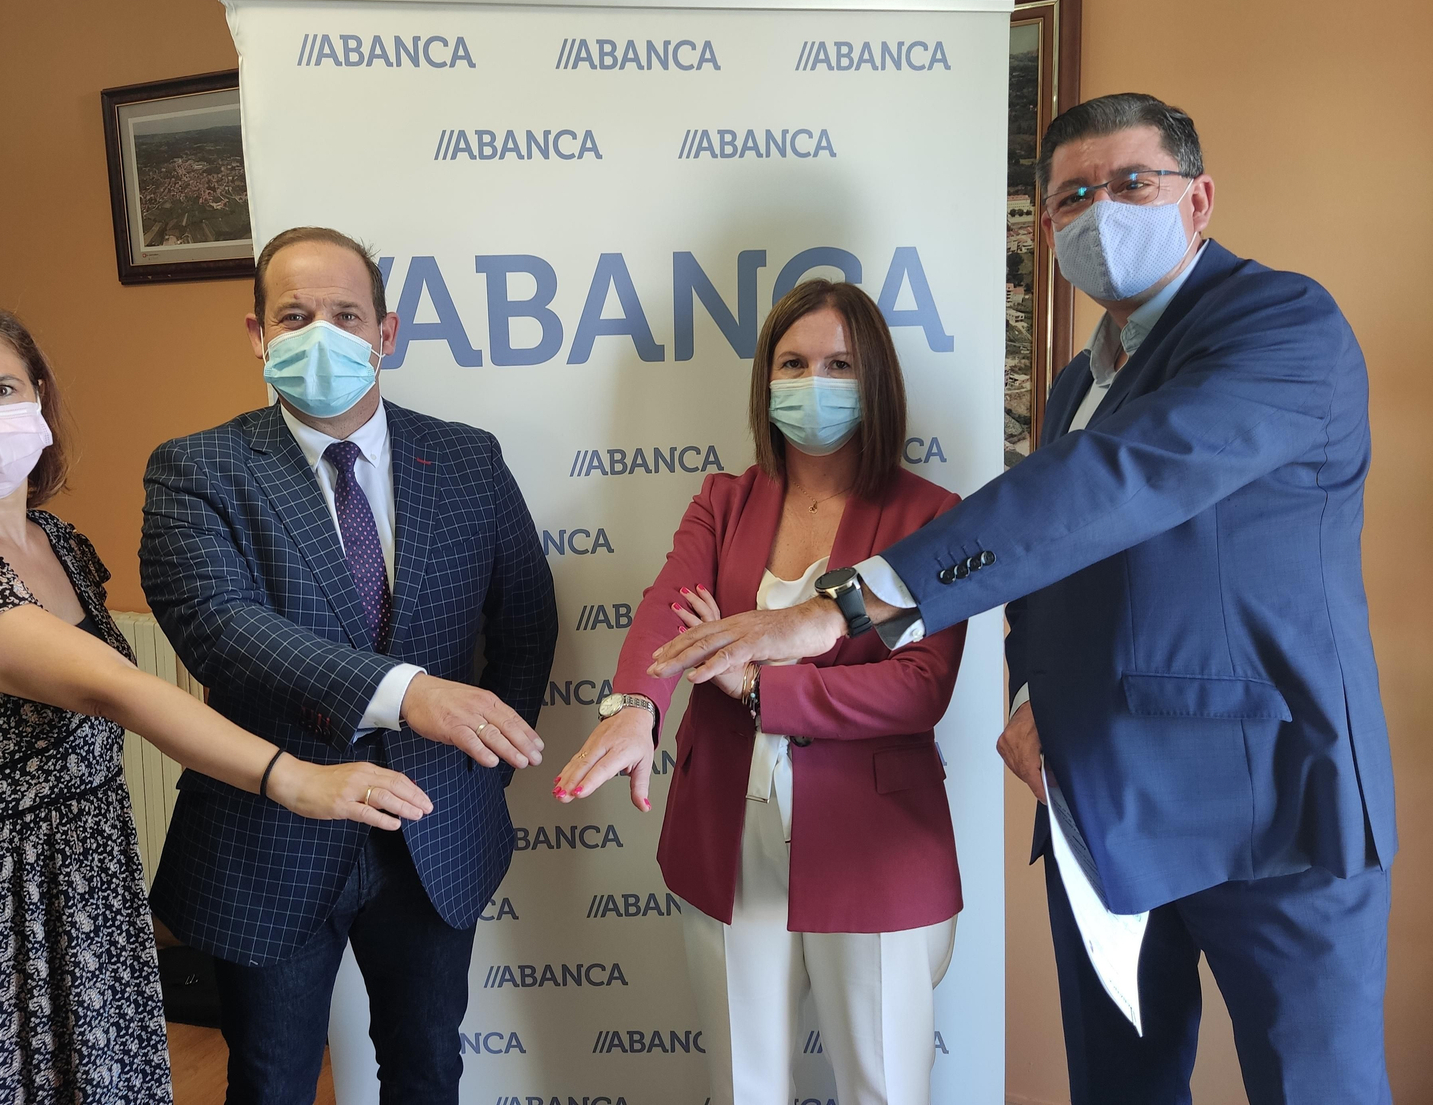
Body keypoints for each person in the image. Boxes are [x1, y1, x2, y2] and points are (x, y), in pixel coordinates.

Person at [649, 94, 1396, 1105]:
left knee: (1313, 1087)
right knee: (1117, 1089)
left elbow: (1115, 485)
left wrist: (845, 606)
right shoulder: (1079, 381)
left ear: (1200, 199)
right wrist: (1021, 699)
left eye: (1130, 184)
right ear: (1045, 232)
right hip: (1103, 803)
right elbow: (1059, 569)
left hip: (1267, 804)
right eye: (1070, 198)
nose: (1099, 214)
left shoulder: (1280, 324)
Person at [0, 291, 429, 1105]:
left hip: (83, 878)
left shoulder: (57, 542)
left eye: (4, 389)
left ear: (39, 397)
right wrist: (296, 778)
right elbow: (115, 688)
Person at [139, 226, 556, 1105]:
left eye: (344, 313)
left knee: (428, 1068)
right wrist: (412, 697)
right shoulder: (196, 468)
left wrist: (482, 759)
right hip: (271, 834)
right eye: (293, 315)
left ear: (386, 333)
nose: (319, 332)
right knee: (270, 1079)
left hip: (435, 829)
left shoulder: (469, 458)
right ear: (256, 335)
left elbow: (523, 621)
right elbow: (219, 628)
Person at [555, 280, 967, 1105]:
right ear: (766, 379)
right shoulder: (726, 501)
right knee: (744, 1088)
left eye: (840, 364)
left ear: (876, 378)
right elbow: (670, 610)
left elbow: (915, 690)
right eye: (794, 362)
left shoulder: (931, 515)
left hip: (874, 843)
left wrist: (749, 681)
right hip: (727, 836)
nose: (814, 381)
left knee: (884, 1090)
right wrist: (637, 708)